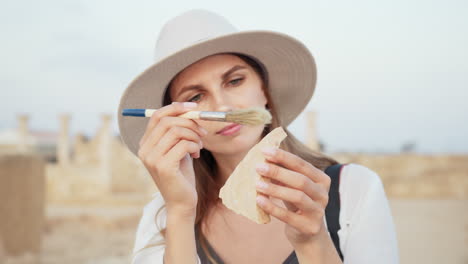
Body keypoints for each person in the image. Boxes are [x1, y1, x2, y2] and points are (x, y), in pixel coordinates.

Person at [117, 9, 399, 264]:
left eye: (235, 81)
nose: (222, 106)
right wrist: (180, 213)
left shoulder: (353, 189)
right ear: (177, 119)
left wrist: (313, 242)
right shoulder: (162, 216)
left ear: (264, 90)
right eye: (196, 96)